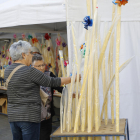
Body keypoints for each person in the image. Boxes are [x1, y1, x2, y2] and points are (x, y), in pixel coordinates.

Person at [4, 40, 78, 140]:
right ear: (24, 55)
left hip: (13, 116)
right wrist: (72, 79)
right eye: (30, 53)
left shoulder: (8, 70)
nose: (31, 55)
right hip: (29, 117)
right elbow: (51, 82)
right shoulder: (29, 71)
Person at [31, 54, 63, 140]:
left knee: (45, 137)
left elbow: (59, 86)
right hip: (32, 116)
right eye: (38, 66)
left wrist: (69, 93)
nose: (41, 68)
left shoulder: (49, 75)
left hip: (47, 116)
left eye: (43, 65)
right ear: (32, 66)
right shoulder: (29, 77)